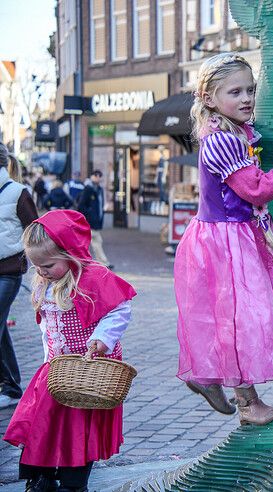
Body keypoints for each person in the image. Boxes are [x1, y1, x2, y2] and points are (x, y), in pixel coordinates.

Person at [175, 53, 273, 425]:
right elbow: (254, 189)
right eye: (235, 92)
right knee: (240, 320)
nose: (246, 99)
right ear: (209, 98)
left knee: (232, 319)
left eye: (250, 90)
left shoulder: (234, 132)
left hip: (231, 237)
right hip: (227, 243)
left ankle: (207, 377)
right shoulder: (222, 141)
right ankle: (246, 403)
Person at [3, 210, 136, 492]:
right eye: (36, 266)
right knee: (41, 423)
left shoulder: (93, 278)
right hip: (55, 368)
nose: (41, 272)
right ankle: (40, 476)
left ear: (70, 252)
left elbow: (120, 309)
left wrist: (102, 338)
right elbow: (47, 329)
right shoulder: (46, 283)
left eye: (48, 265)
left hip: (87, 372)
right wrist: (46, 357)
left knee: (77, 429)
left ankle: (74, 482)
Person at [0, 143, 38, 409]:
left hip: (8, 272)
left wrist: (41, 271)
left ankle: (10, 385)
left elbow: (35, 233)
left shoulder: (18, 192)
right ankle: (12, 386)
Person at [76, 170, 112, 269]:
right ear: (92, 176)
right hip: (90, 221)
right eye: (96, 176)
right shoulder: (88, 189)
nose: (98, 178)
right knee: (96, 241)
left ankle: (98, 261)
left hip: (96, 220)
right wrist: (89, 214)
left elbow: (99, 205)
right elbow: (81, 205)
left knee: (93, 241)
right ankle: (102, 262)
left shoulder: (99, 189)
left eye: (99, 176)